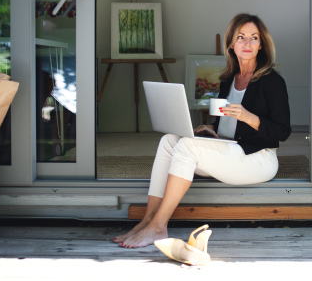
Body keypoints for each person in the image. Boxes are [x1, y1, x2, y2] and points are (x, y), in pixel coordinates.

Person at [114, 13, 291, 248]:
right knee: (169, 140)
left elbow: (282, 131)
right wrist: (211, 128)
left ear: (261, 45)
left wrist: (249, 118)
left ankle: (158, 227)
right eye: (241, 37)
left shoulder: (272, 81)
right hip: (231, 148)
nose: (247, 43)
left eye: (254, 38)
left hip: (258, 158)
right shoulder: (229, 78)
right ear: (231, 43)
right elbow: (227, 124)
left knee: (186, 147)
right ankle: (147, 220)